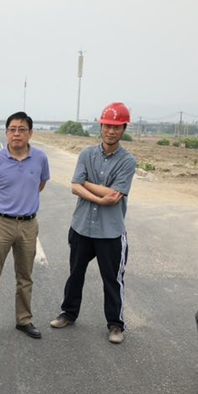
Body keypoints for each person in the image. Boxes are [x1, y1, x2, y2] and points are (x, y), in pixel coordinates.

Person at [50, 102, 136, 344]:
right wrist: (94, 193)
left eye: (116, 127)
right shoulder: (86, 154)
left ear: (124, 129)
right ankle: (68, 313)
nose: (111, 131)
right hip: (82, 227)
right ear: (101, 126)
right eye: (107, 126)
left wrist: (85, 183)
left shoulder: (128, 161)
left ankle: (116, 325)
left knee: (112, 280)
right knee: (75, 273)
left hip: (110, 232)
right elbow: (75, 187)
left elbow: (114, 195)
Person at [0, 112, 50, 341]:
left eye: (22, 129)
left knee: (25, 275)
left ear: (30, 133)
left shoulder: (40, 158)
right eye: (12, 129)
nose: (16, 134)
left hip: (28, 225)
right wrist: (5, 201)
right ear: (6, 132)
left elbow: (40, 184)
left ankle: (24, 319)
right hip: (1, 223)